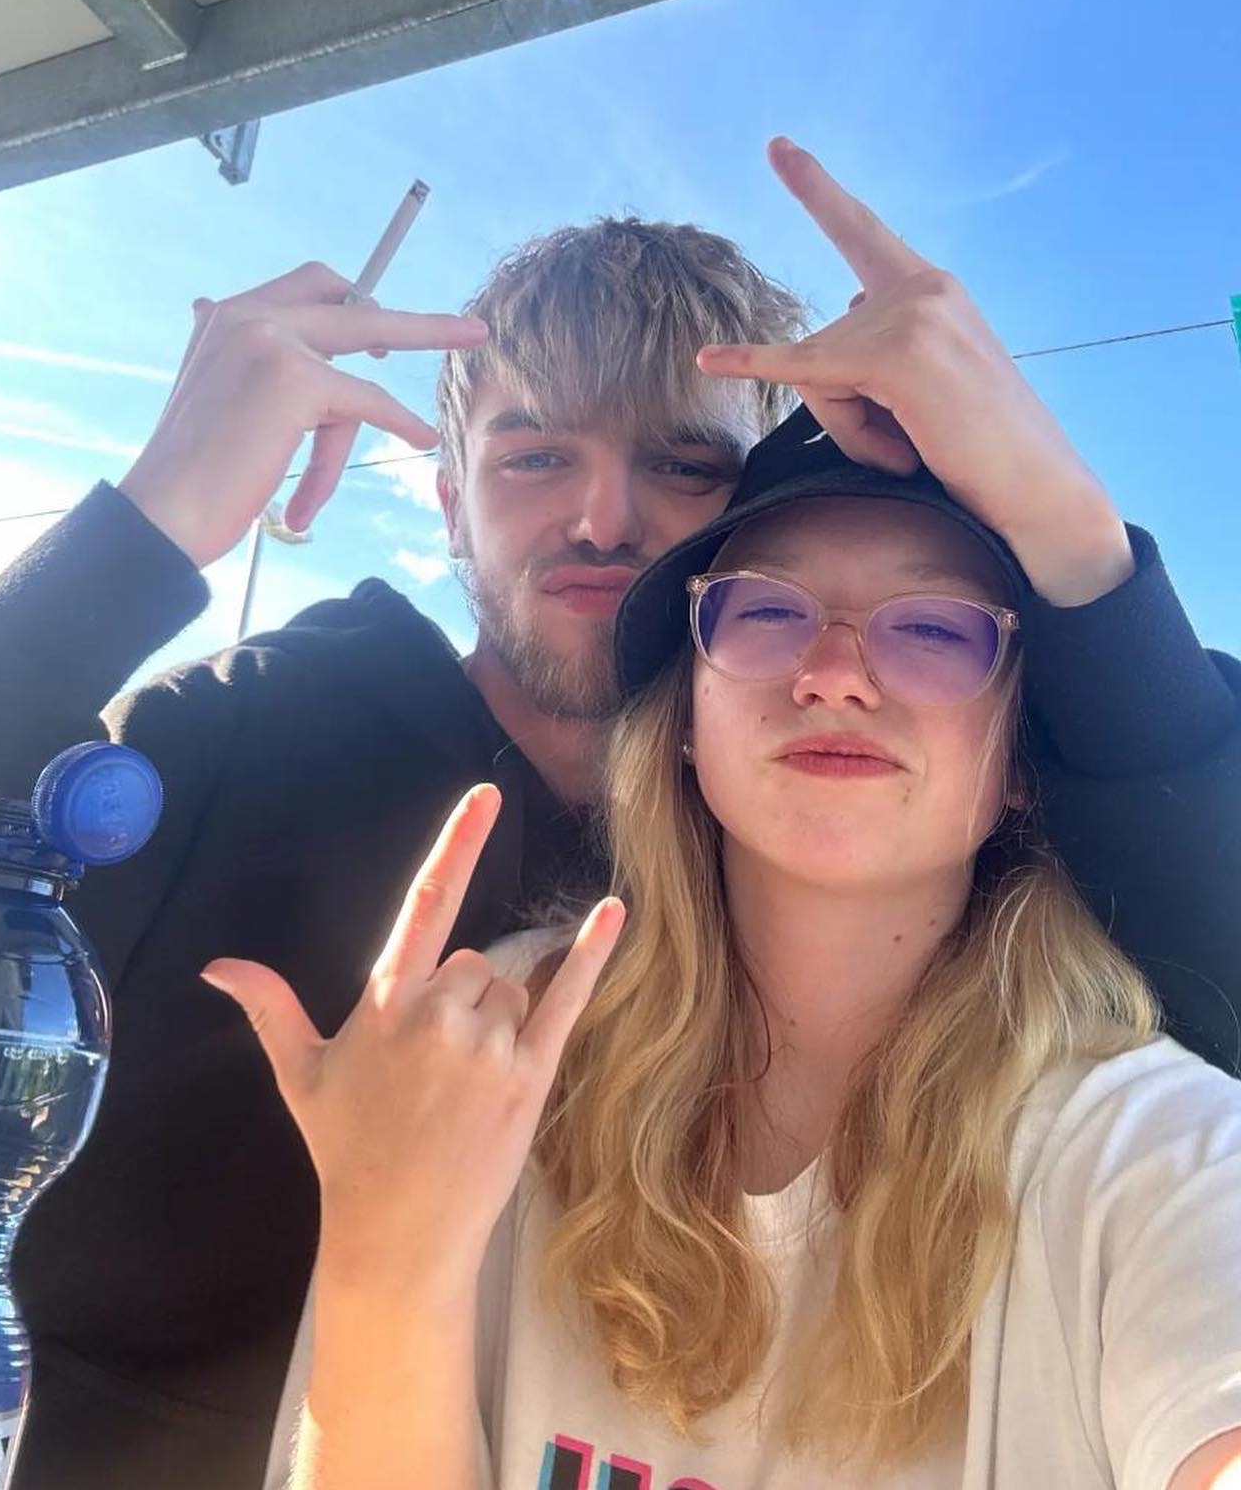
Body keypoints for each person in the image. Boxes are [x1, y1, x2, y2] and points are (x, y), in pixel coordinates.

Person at [0, 142, 1236, 1490]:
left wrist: (1080, 549)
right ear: (447, 502)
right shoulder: (238, 732)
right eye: (536, 456)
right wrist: (141, 529)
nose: (603, 520)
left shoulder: (824, 850)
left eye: (683, 464)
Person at [247, 397, 1241, 1489]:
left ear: (1015, 763)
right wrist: (384, 1260)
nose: (835, 673)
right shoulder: (488, 1046)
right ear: (685, 716)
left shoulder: (1155, 1152)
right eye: (767, 612)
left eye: (933, 630)